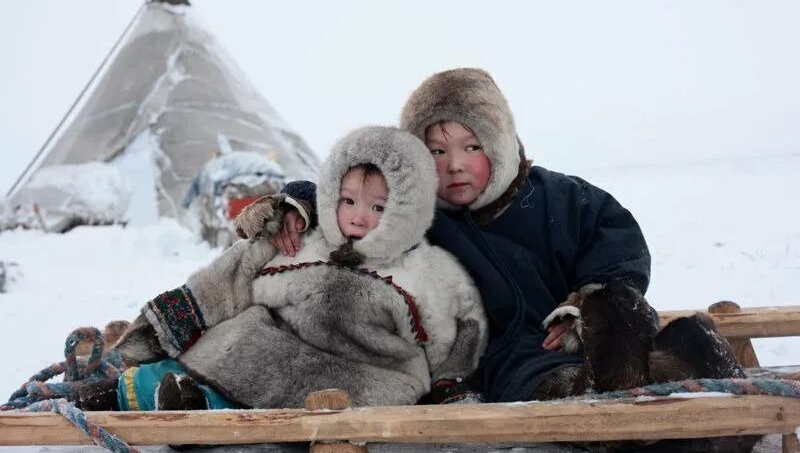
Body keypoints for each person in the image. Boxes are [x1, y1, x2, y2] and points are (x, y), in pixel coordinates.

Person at [253, 68, 745, 404]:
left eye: (471, 145)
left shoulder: (558, 198)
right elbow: (350, 193)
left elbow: (615, 238)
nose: (455, 164)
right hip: (493, 360)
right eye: (437, 150)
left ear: (499, 142)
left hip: (569, 335)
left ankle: (657, 361)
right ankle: (595, 400)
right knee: (536, 380)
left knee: (621, 322)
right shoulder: (411, 212)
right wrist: (296, 202)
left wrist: (589, 301)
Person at [76, 126, 487, 411]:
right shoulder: (303, 235)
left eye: (378, 208)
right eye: (348, 201)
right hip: (263, 347)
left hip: (361, 375)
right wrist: (145, 342)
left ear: (406, 209)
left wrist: (451, 386)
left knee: (239, 390)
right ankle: (114, 392)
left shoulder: (425, 270)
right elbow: (228, 280)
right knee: (204, 353)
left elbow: (458, 332)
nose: (359, 217)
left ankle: (197, 410)